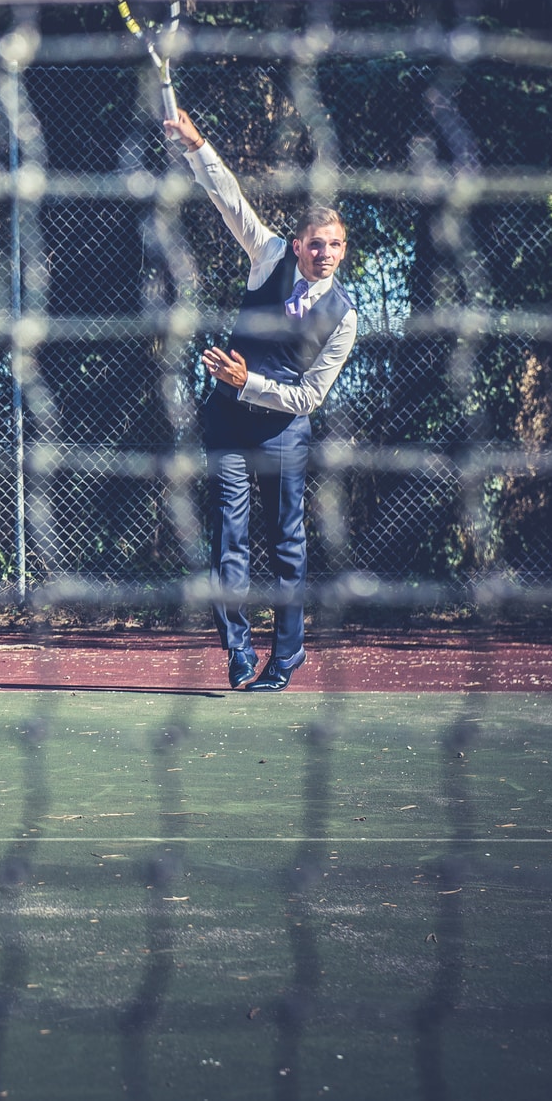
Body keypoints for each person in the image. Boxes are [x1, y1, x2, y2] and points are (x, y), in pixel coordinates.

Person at [166, 109, 357, 691]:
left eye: (336, 246)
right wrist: (198, 145)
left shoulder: (344, 317)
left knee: (288, 545)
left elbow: (308, 397)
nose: (326, 253)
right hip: (227, 424)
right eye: (317, 244)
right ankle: (239, 648)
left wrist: (247, 380)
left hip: (283, 433)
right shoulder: (269, 254)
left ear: (343, 252)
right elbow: (230, 200)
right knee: (229, 534)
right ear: (297, 245)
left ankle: (288, 654)